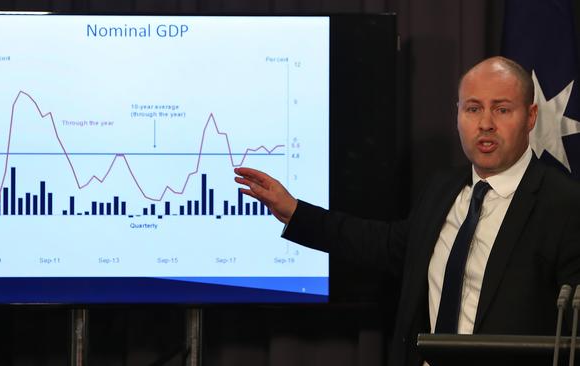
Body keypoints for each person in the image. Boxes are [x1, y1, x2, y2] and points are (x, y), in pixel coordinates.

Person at [235, 56, 580, 366]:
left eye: (502, 109)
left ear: (531, 116)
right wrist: (295, 212)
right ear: (457, 114)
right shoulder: (442, 190)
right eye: (473, 109)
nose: (485, 123)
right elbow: (385, 245)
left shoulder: (563, 204)